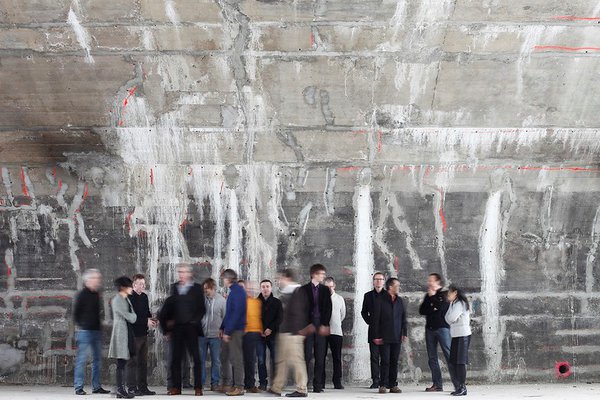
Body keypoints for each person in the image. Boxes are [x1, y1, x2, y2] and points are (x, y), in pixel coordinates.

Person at [269, 268, 312, 398]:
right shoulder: (287, 293)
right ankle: (276, 387)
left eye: (280, 278)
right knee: (281, 361)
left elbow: (298, 314)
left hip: (293, 333)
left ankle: (301, 389)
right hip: (285, 332)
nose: (279, 281)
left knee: (296, 360)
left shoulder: (297, 292)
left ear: (287, 278)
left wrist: (296, 331)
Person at [168, 263, 206, 396]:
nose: (181, 274)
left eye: (184, 272)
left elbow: (202, 308)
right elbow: (170, 307)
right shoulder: (174, 287)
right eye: (180, 272)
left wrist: (194, 321)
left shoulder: (196, 288)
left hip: (192, 328)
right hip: (177, 329)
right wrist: (169, 325)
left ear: (189, 273)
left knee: (196, 358)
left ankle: (198, 387)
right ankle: (176, 387)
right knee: (176, 359)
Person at [73, 269, 110, 396]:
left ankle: (96, 386)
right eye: (95, 278)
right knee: (82, 360)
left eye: (98, 278)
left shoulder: (96, 294)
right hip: (85, 331)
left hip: (96, 331)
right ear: (88, 280)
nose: (97, 280)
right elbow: (76, 313)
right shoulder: (82, 294)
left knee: (97, 360)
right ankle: (78, 387)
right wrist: (83, 325)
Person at [372, 278, 407, 394]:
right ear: (390, 287)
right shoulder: (381, 300)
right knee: (385, 361)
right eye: (397, 285)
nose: (399, 287)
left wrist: (404, 333)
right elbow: (376, 320)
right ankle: (382, 385)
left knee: (394, 361)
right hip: (384, 336)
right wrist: (376, 336)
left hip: (397, 336)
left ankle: (393, 385)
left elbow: (403, 318)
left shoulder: (400, 301)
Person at [301, 264, 332, 393]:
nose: (323, 276)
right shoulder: (303, 289)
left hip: (321, 324)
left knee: (320, 356)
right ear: (313, 274)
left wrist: (324, 324)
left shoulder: (325, 290)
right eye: (321, 274)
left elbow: (328, 308)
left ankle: (318, 385)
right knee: (307, 356)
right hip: (308, 324)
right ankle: (305, 383)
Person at [419, 273, 451, 392]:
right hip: (430, 329)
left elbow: (442, 308)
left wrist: (433, 299)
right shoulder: (428, 295)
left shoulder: (444, 294)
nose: (429, 282)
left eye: (431, 280)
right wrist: (433, 305)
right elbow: (422, 310)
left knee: (449, 355)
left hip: (442, 329)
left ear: (437, 282)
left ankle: (458, 384)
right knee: (432, 358)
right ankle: (437, 385)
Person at [127, 274, 157, 396]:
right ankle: (131, 388)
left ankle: (143, 387)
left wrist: (152, 320)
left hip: (143, 334)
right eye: (140, 283)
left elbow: (146, 313)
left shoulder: (144, 297)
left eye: (144, 284)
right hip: (133, 335)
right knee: (132, 362)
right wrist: (146, 321)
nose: (143, 286)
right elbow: (131, 318)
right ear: (134, 285)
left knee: (143, 363)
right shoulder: (129, 298)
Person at [108, 276, 138, 399]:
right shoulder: (118, 300)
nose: (131, 288)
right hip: (121, 333)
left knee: (123, 361)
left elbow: (133, 316)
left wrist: (133, 316)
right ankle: (120, 389)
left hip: (126, 332)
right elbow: (131, 317)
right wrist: (132, 316)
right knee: (121, 362)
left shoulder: (126, 299)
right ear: (123, 287)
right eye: (130, 286)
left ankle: (121, 389)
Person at [219, 269, 247, 396]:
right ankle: (227, 384)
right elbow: (229, 313)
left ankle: (239, 387)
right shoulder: (233, 292)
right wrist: (222, 327)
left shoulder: (238, 292)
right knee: (225, 356)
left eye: (224, 278)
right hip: (230, 329)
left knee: (236, 358)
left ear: (228, 279)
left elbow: (236, 314)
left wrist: (227, 331)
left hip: (235, 330)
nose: (223, 281)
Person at [444, 285, 472, 397]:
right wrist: (450, 319)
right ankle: (459, 387)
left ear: (455, 293)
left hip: (463, 335)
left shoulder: (460, 303)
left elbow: (450, 318)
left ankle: (462, 387)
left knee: (460, 362)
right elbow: (447, 318)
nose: (447, 295)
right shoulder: (453, 303)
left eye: (449, 293)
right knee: (454, 361)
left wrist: (451, 319)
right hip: (456, 335)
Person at [360, 272, 385, 389]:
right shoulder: (368, 296)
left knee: (386, 357)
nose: (378, 281)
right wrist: (371, 321)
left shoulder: (389, 296)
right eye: (376, 279)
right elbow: (363, 312)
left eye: (380, 279)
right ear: (373, 281)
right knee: (374, 357)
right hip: (373, 331)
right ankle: (375, 380)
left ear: (384, 281)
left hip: (387, 331)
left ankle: (385, 381)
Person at [200, 278, 226, 391]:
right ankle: (200, 383)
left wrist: (223, 330)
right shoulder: (200, 300)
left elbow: (225, 317)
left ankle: (214, 383)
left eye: (208, 288)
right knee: (200, 360)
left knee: (216, 360)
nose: (206, 290)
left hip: (216, 336)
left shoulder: (221, 300)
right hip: (202, 335)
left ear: (213, 288)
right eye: (205, 288)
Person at [257, 279, 283, 391]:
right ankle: (263, 383)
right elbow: (254, 318)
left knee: (275, 359)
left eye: (267, 286)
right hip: (259, 335)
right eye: (263, 286)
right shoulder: (256, 302)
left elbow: (280, 318)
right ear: (260, 288)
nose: (265, 288)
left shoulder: (277, 302)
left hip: (273, 334)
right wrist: (261, 330)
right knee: (261, 360)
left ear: (271, 288)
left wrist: (270, 329)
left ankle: (275, 383)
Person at [240, 280, 264, 393]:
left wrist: (261, 330)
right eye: (249, 288)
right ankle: (248, 384)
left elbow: (260, 318)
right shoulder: (243, 302)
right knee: (249, 360)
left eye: (254, 288)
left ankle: (250, 383)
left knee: (255, 360)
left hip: (257, 334)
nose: (252, 290)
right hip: (247, 334)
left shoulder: (257, 302)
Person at [323, 277, 346, 389]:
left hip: (336, 332)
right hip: (323, 332)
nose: (329, 289)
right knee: (321, 357)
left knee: (337, 358)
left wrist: (335, 324)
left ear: (334, 286)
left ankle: (337, 382)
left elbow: (343, 315)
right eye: (326, 287)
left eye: (331, 286)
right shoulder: (320, 299)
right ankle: (320, 382)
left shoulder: (339, 299)